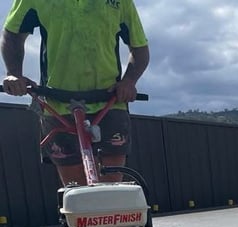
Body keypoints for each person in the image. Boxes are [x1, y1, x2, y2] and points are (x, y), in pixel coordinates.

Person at [1, 0, 150, 187]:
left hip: (109, 102)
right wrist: (14, 73)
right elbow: (13, 34)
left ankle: (112, 213)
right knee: (74, 188)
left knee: (112, 186)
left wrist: (129, 81)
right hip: (58, 104)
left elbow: (140, 47)